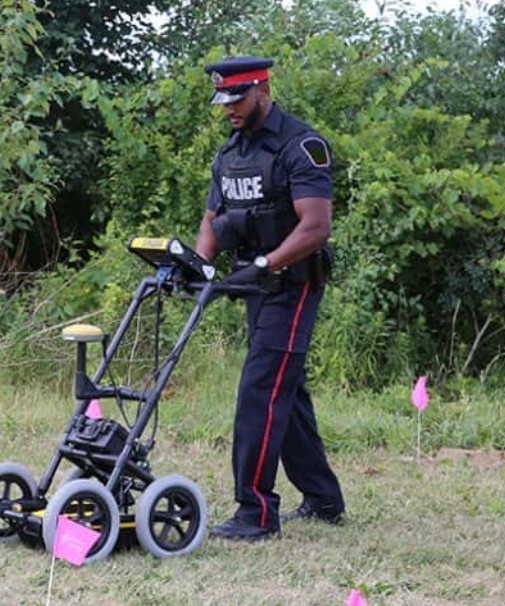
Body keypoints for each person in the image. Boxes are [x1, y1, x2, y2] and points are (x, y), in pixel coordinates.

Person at [193, 56, 345, 541]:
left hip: (293, 284)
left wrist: (265, 264)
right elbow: (212, 219)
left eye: (237, 99)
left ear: (262, 88)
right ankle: (323, 500)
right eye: (223, 101)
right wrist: (199, 266)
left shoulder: (301, 146)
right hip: (253, 286)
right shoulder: (231, 153)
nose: (229, 110)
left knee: (260, 389)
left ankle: (255, 512)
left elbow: (316, 226)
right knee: (286, 389)